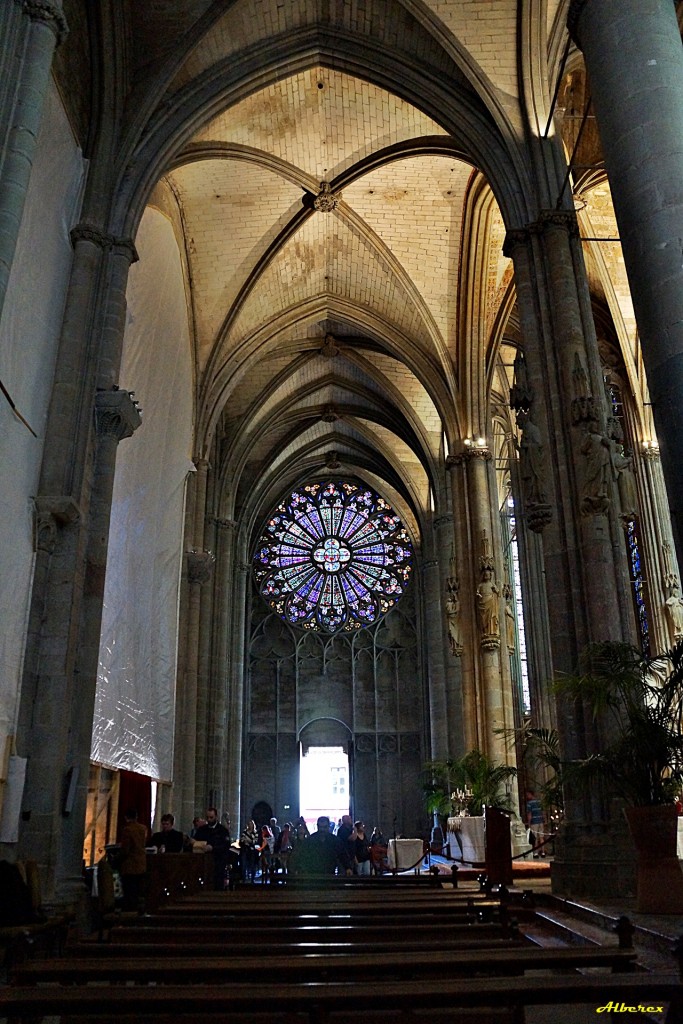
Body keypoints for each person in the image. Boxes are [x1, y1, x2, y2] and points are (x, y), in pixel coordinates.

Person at [193, 807, 231, 889]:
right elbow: (196, 841)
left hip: (218, 862)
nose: (209, 820)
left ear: (216, 817)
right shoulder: (202, 830)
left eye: (211, 817)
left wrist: (213, 848)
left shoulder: (222, 830)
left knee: (217, 885)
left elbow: (226, 846)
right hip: (203, 863)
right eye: (207, 817)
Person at [119, 808, 148, 910]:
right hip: (141, 864)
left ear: (126, 817)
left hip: (130, 865)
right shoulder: (143, 828)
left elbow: (126, 849)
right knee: (138, 891)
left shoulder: (128, 829)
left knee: (129, 892)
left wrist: (118, 858)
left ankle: (129, 912)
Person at [526, 790, 545, 858]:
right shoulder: (539, 802)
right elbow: (542, 811)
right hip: (540, 821)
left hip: (534, 822)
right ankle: (543, 852)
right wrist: (543, 819)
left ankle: (536, 853)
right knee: (541, 837)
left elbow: (529, 814)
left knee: (535, 838)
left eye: (527, 795)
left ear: (530, 794)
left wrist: (529, 823)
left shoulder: (529, 803)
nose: (527, 796)